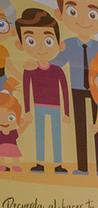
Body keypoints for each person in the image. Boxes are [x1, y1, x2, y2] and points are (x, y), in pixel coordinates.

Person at [51, 0, 98, 175]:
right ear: (61, 14)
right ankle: (82, 167)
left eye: (92, 14)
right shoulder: (68, 45)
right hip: (76, 90)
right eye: (74, 12)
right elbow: (56, 63)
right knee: (80, 129)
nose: (83, 20)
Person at [17, 7, 70, 174]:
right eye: (31, 41)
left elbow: (65, 91)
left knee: (56, 135)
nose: (40, 46)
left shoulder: (57, 70)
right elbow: (26, 89)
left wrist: (66, 112)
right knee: (40, 134)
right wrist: (27, 110)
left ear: (59, 45)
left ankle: (58, 163)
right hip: (38, 106)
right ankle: (39, 162)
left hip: (56, 107)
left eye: (48, 41)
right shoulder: (29, 70)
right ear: (20, 45)